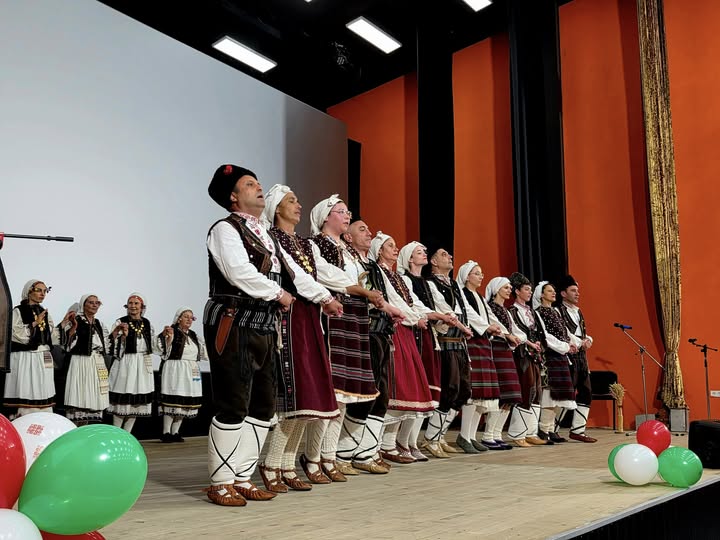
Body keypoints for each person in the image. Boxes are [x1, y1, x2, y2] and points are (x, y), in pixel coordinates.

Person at [203, 164, 341, 507]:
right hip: (233, 320)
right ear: (233, 196)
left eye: (258, 182)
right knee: (233, 403)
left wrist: (324, 298)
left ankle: (242, 477)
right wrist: (277, 293)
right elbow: (238, 271)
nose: (258, 187)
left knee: (263, 406)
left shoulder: (265, 235)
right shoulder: (225, 229)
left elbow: (293, 274)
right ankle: (220, 482)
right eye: (250, 184)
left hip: (264, 325)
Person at [258, 184, 358, 492]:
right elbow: (295, 275)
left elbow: (319, 274)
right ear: (277, 209)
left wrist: (330, 296)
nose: (298, 205)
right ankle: (271, 463)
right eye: (291, 201)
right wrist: (325, 297)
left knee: (308, 398)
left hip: (309, 317)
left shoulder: (303, 243)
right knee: (295, 395)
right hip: (289, 318)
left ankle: (287, 465)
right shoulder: (272, 238)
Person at [309, 200, 395, 477]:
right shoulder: (316, 244)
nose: (347, 216)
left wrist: (371, 297)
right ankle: (314, 458)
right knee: (333, 391)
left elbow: (357, 280)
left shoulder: (347, 252)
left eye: (348, 212)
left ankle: (330, 457)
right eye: (341, 212)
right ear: (326, 217)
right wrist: (363, 291)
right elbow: (327, 274)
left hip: (354, 318)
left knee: (345, 394)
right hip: (335, 319)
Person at [369, 232, 435, 464]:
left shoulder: (395, 276)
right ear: (379, 251)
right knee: (395, 387)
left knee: (405, 389)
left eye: (396, 246)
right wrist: (414, 318)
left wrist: (419, 316)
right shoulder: (379, 272)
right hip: (395, 328)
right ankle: (379, 445)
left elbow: (410, 302)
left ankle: (389, 444)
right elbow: (394, 302)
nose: (395, 249)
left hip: (405, 329)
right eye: (390, 246)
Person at [422, 243, 475, 456]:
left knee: (464, 391)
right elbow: (443, 309)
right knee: (449, 388)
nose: (450, 256)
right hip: (445, 340)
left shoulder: (453, 284)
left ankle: (439, 435)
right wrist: (462, 327)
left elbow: (463, 309)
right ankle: (431, 438)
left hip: (459, 342)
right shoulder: (430, 283)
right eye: (444, 254)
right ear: (433, 261)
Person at [455, 261, 505, 453]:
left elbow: (491, 316)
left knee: (483, 395)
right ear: (467, 276)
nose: (481, 276)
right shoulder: (463, 294)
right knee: (474, 393)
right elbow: (469, 314)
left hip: (483, 343)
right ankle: (464, 435)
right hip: (473, 342)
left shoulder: (480, 297)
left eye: (481, 273)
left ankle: (471, 436)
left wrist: (503, 331)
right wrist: (487, 327)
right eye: (476, 273)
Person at [4, 280, 65, 416]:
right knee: (26, 387)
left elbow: (51, 335)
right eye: (39, 290)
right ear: (29, 291)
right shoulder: (19, 311)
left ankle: (42, 417)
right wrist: (34, 323)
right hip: (26, 356)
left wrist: (64, 324)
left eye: (45, 291)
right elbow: (15, 333)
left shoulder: (43, 312)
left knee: (43, 388)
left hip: (43, 355)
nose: (42, 294)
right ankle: (24, 417)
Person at [533, 282, 578, 443]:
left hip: (561, 356)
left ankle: (551, 429)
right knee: (550, 395)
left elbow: (565, 332)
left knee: (561, 396)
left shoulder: (555, 311)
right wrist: (564, 346)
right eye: (549, 291)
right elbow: (545, 336)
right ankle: (544, 429)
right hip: (550, 355)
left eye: (554, 291)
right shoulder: (539, 312)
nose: (553, 293)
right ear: (541, 294)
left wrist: (574, 343)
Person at [507, 273, 548, 446]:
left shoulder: (531, 312)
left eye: (530, 289)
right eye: (526, 289)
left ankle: (531, 432)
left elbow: (539, 331)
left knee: (537, 391)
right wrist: (529, 342)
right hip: (522, 354)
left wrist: (538, 342)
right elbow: (514, 331)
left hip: (534, 355)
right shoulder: (512, 311)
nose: (530, 292)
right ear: (517, 291)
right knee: (527, 389)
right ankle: (517, 433)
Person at [108, 292, 158, 434]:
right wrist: (122, 337)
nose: (133, 306)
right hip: (124, 363)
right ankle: (116, 432)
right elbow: (110, 344)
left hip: (141, 364)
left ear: (142, 307)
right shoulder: (120, 322)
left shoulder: (147, 323)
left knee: (135, 401)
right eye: (130, 303)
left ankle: (127, 434)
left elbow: (153, 344)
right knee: (122, 398)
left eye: (136, 303)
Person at [556, 275, 597, 443]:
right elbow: (564, 332)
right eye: (573, 290)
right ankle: (552, 429)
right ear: (563, 293)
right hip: (567, 355)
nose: (577, 293)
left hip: (581, 356)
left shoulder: (578, 311)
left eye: (577, 290)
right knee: (566, 393)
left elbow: (582, 332)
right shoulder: (558, 311)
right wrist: (581, 342)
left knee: (586, 391)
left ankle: (578, 430)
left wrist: (588, 339)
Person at [484, 277, 524, 449]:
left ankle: (497, 434)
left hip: (506, 350)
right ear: (496, 289)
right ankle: (488, 435)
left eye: (509, 288)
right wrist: (509, 335)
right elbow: (496, 324)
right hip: (496, 349)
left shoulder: (505, 310)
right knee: (500, 394)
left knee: (510, 395)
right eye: (506, 287)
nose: (509, 290)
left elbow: (515, 328)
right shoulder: (489, 307)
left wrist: (520, 338)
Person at [157, 307, 207, 443]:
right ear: (179, 318)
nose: (189, 320)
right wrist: (168, 337)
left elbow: (203, 353)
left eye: (191, 317)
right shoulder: (171, 331)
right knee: (173, 401)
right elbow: (161, 348)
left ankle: (175, 432)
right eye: (186, 317)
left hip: (190, 370)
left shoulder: (193, 335)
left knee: (185, 402)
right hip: (175, 369)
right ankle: (166, 432)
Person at [62, 294, 111, 425]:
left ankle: (88, 429)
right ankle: (76, 428)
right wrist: (73, 327)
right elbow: (66, 343)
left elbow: (106, 344)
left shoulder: (99, 323)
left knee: (93, 397)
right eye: (91, 302)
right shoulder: (76, 320)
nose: (94, 305)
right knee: (81, 394)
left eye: (97, 303)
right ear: (83, 305)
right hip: (81, 361)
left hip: (97, 362)